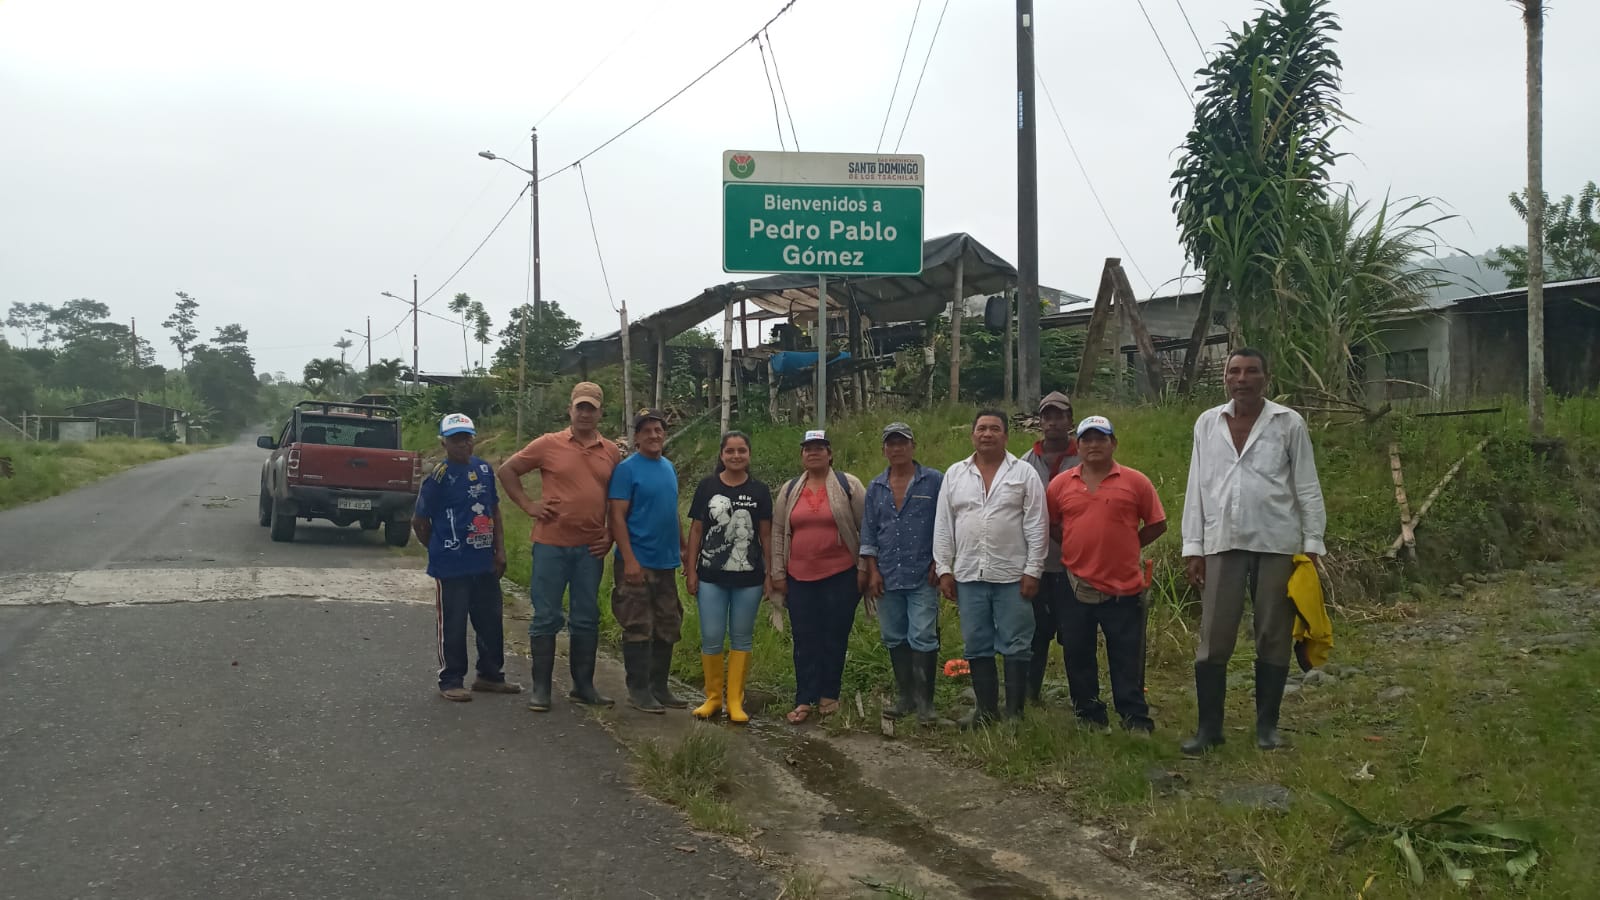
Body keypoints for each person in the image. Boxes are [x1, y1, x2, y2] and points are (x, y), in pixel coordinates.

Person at [1179, 348, 1327, 754]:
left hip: (1277, 541)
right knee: (1214, 637)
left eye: (1251, 371)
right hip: (1221, 540)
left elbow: (1307, 485)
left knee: (1273, 634)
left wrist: (1312, 544)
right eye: (1234, 371)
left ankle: (1267, 729)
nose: (1241, 379)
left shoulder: (1288, 422)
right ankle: (1209, 730)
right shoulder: (1208, 423)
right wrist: (1193, 546)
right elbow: (1197, 486)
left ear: (1266, 377)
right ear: (1225, 378)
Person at [499, 382, 621, 712]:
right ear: (570, 410)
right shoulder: (548, 444)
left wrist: (611, 532)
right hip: (551, 546)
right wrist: (528, 505)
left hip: (590, 550)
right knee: (546, 616)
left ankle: (583, 687)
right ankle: (541, 689)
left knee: (586, 617)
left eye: (591, 408)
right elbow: (508, 471)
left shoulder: (611, 452)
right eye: (580, 407)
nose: (585, 413)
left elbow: (617, 498)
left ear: (600, 413)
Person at [1046, 415, 1167, 732]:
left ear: (1113, 443)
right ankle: (1088, 714)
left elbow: (1157, 523)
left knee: (1127, 655)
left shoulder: (1136, 482)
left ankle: (1134, 717)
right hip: (1074, 583)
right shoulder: (1061, 484)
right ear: (1078, 446)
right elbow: (1051, 524)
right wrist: (1074, 546)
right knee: (1077, 651)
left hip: (1123, 586)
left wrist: (1129, 544)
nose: (1093, 445)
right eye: (1086, 439)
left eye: (1101, 438)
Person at [933, 409, 1048, 727]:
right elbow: (943, 524)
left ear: (1006, 436)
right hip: (969, 575)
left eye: (994, 428)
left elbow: (1037, 524)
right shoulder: (955, 474)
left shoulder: (1024, 473)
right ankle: (985, 711)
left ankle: (1014, 714)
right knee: (976, 643)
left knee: (1017, 643)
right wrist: (944, 569)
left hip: (1013, 576)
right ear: (972, 435)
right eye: (981, 428)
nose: (987, 434)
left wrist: (1033, 570)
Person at [412, 413, 521, 701]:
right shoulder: (438, 477)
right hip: (452, 566)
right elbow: (419, 521)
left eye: (467, 438)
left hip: (484, 561)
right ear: (444, 443)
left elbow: (494, 511)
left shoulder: (484, 469)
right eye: (456, 439)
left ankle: (490, 675)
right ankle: (451, 680)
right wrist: (438, 548)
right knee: (454, 622)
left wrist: (500, 550)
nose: (463, 444)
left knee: (490, 620)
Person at [768, 430, 868, 725]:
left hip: (841, 575)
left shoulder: (849, 485)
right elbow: (778, 531)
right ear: (802, 455)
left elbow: (866, 528)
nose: (813, 453)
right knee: (804, 639)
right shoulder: (789, 490)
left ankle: (829, 695)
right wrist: (777, 572)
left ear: (830, 454)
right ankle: (804, 698)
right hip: (798, 577)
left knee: (834, 636)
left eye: (819, 448)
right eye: (808, 448)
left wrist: (864, 567)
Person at [685, 432, 773, 723]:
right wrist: (691, 570)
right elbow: (696, 530)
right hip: (710, 577)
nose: (736, 456)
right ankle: (713, 698)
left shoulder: (759, 490)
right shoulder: (707, 486)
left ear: (749, 454)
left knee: (741, 638)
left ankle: (735, 700)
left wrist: (771, 573)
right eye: (730, 451)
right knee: (711, 637)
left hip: (750, 579)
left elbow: (765, 535)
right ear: (721, 455)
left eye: (742, 450)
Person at [859, 422, 943, 723]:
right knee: (894, 636)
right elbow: (869, 532)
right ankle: (905, 697)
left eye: (902, 443)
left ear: (913, 446)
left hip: (923, 573)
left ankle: (925, 704)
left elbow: (945, 524)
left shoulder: (934, 481)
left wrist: (940, 562)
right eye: (891, 444)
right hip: (887, 574)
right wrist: (872, 571)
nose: (897, 449)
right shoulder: (875, 487)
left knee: (923, 635)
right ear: (884, 449)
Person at [608, 408, 687, 714]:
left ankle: (659, 686)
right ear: (637, 437)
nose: (654, 435)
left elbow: (670, 510)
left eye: (658, 430)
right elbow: (617, 516)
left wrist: (683, 547)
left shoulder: (668, 467)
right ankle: (638, 690)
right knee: (638, 624)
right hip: (637, 561)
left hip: (665, 562)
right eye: (647, 431)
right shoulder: (627, 470)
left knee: (668, 622)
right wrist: (629, 559)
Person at [1018, 391, 1081, 704]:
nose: (1053, 422)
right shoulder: (1024, 465)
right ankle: (1030, 694)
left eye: (1060, 416)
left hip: (1076, 567)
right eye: (1048, 416)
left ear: (1070, 420)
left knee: (1075, 634)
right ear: (1039, 422)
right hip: (1037, 565)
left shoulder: (1086, 458)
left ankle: (1081, 697)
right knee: (1035, 632)